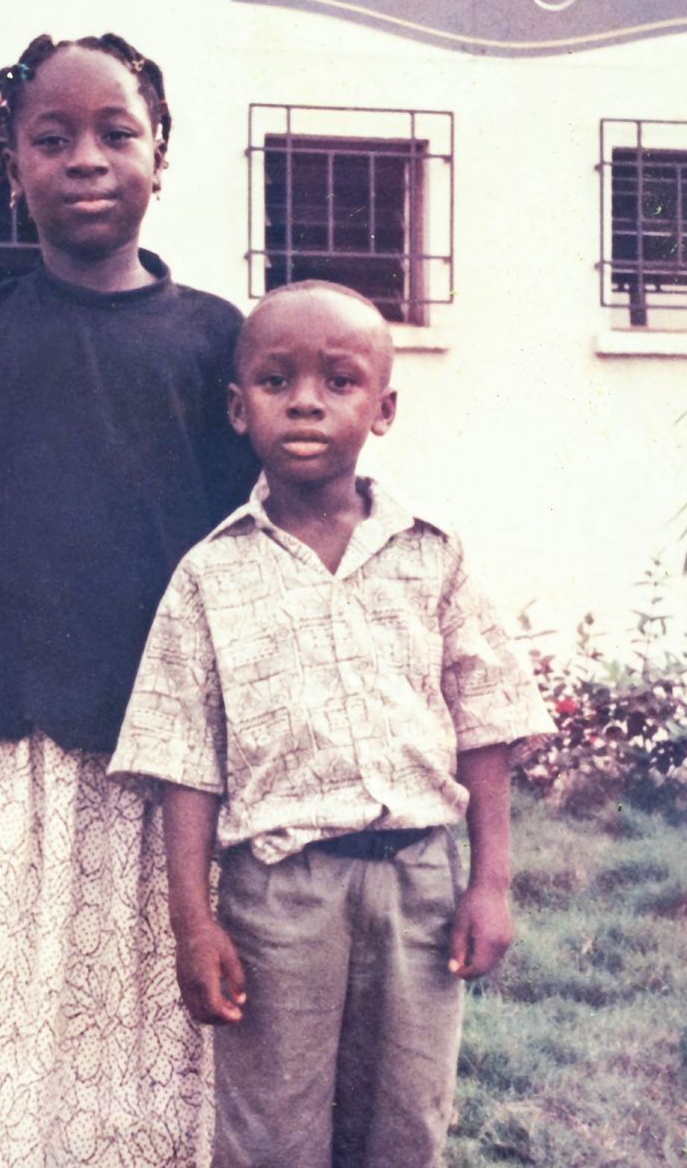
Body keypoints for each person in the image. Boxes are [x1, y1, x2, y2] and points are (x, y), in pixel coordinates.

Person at [0, 32, 256, 1168]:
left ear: (160, 156)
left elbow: (248, 552)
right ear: (12, 168)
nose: (86, 158)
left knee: (144, 1020)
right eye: (53, 138)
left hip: (160, 758)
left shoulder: (216, 345)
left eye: (115, 132)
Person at [109, 281, 555, 1168]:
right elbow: (182, 758)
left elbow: (487, 718)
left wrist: (491, 881)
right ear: (239, 409)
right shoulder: (210, 575)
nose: (306, 400)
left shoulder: (432, 553)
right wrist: (194, 923)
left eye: (338, 381)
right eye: (277, 381)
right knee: (273, 1135)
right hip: (279, 896)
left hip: (419, 886)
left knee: (405, 1127)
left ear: (383, 409)